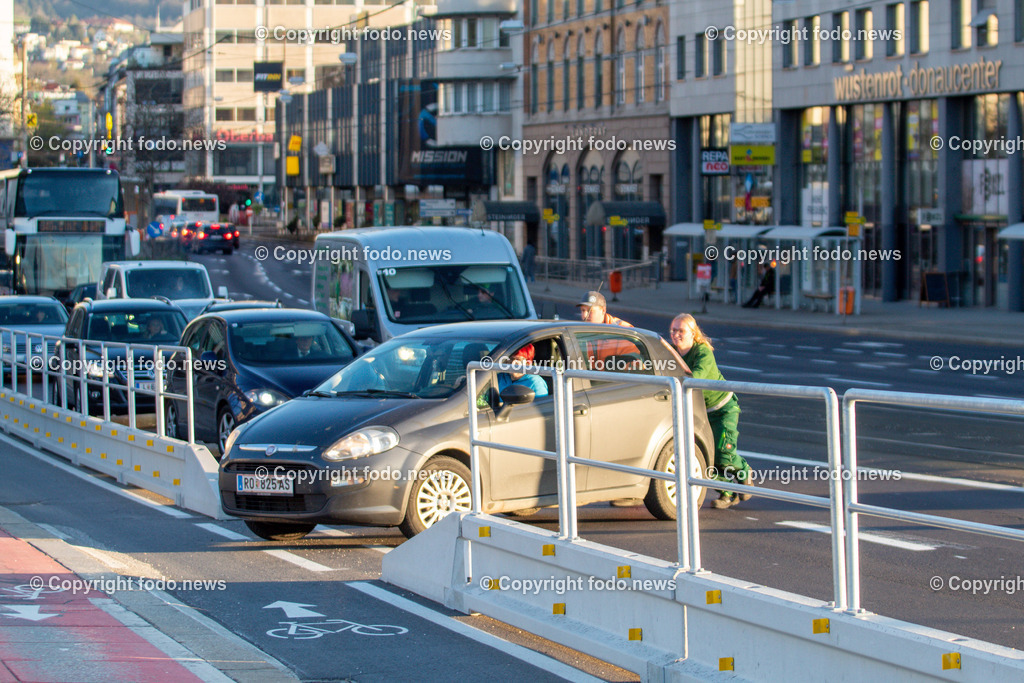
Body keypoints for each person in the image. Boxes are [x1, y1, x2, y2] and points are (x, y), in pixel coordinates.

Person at [669, 313, 754, 509]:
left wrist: (672, 382)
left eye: (681, 331)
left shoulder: (703, 352)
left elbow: (696, 377)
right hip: (701, 412)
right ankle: (727, 492)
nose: (676, 335)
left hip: (723, 408)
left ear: (693, 333)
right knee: (706, 457)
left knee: (724, 455)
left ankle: (744, 471)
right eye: (673, 330)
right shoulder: (671, 352)